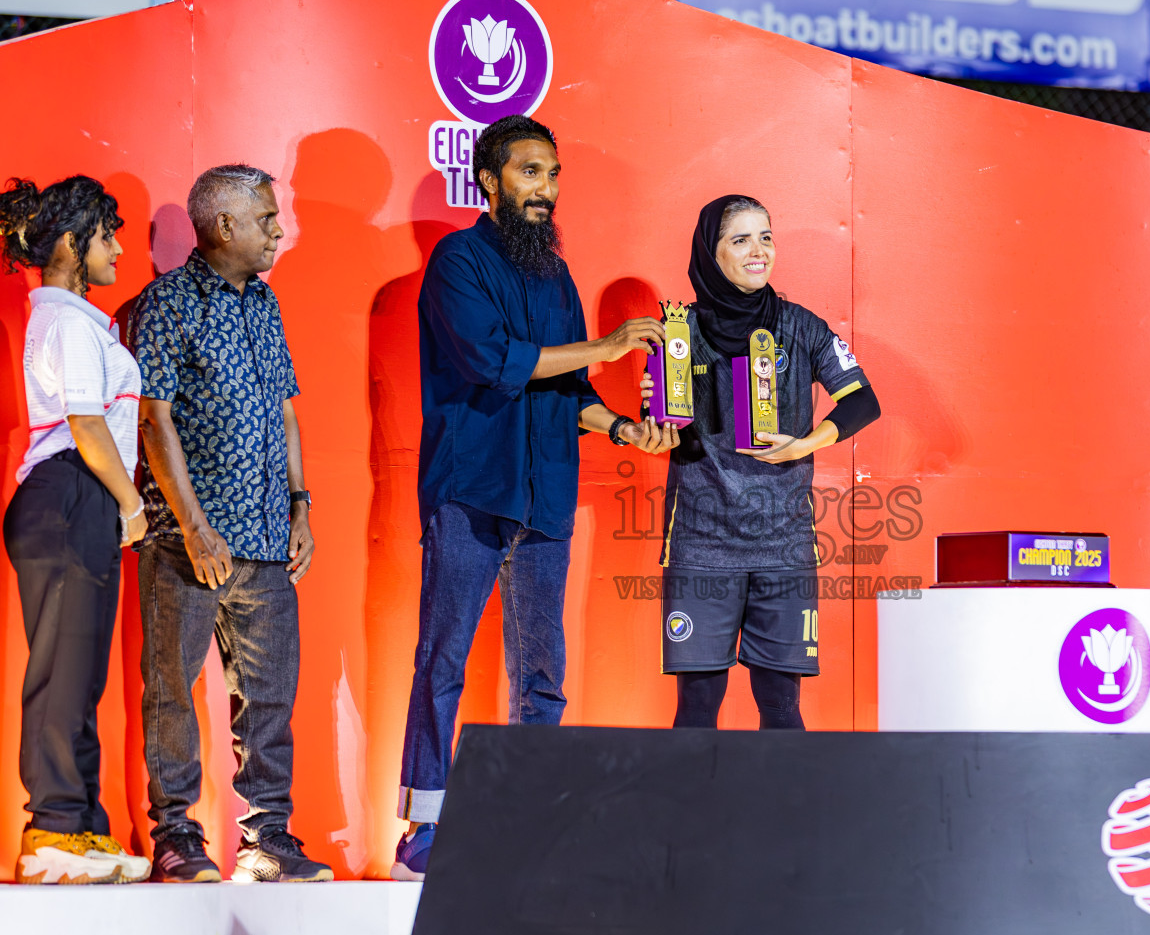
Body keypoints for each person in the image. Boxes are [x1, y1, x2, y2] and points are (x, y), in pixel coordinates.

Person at [393, 114, 676, 881]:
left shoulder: (557, 276)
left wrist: (621, 426)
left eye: (552, 175)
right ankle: (422, 827)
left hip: (546, 492)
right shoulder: (457, 260)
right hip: (470, 490)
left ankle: (530, 818)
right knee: (442, 657)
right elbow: (494, 362)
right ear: (489, 181)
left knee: (542, 669)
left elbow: (570, 388)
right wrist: (612, 345)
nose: (545, 190)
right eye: (529, 174)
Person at [130, 165, 329, 883]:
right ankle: (176, 835)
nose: (279, 229)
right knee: (172, 690)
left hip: (267, 541)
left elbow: (284, 409)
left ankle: (268, 837)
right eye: (268, 218)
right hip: (190, 543)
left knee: (271, 695)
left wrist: (300, 505)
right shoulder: (168, 303)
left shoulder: (265, 306)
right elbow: (152, 418)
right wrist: (193, 525)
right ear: (223, 227)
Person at [643, 195, 880, 730]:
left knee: (781, 708)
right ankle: (695, 816)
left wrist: (805, 443)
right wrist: (653, 411)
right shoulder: (678, 333)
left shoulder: (802, 327)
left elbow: (864, 401)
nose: (759, 251)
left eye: (766, 237)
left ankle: (785, 816)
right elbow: (667, 437)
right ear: (712, 252)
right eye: (741, 239)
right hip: (702, 544)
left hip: (785, 544)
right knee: (697, 710)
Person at [0, 176, 152, 884]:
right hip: (70, 493)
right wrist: (130, 503)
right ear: (72, 243)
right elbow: (87, 424)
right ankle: (53, 830)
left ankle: (80, 826)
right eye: (107, 236)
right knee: (63, 669)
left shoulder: (77, 321)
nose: (119, 251)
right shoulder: (65, 320)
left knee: (79, 669)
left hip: (76, 497)